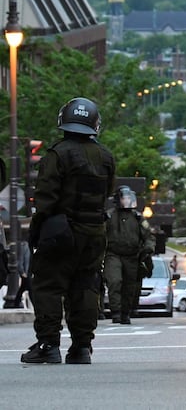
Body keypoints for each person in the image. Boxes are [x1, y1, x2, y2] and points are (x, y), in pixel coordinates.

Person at [21, 97, 116, 365]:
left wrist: (38, 230)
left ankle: (48, 344)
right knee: (86, 286)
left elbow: (45, 198)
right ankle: (82, 347)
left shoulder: (58, 154)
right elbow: (108, 192)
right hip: (95, 231)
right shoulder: (106, 156)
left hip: (61, 230)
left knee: (49, 286)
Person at [103, 186, 154, 324]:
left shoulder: (138, 218)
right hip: (113, 254)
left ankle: (126, 312)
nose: (126, 201)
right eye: (123, 198)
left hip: (132, 256)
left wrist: (148, 249)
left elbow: (149, 236)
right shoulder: (109, 216)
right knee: (115, 281)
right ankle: (116, 312)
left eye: (128, 198)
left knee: (129, 285)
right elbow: (100, 234)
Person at [13, 240, 32, 308]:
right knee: (30, 289)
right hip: (26, 273)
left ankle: (16, 303)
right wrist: (22, 272)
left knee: (22, 289)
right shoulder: (25, 247)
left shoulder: (32, 248)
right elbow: (20, 261)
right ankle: (35, 305)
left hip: (29, 272)